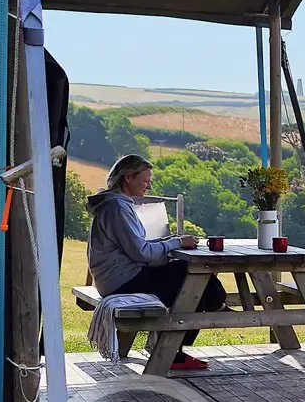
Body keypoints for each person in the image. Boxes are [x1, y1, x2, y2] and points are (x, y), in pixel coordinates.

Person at [86, 153, 226, 371]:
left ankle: (178, 341)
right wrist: (177, 242)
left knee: (192, 280)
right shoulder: (116, 208)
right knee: (192, 277)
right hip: (122, 282)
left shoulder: (115, 204)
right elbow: (142, 253)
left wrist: (170, 242)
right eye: (145, 180)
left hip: (116, 279)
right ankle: (174, 346)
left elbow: (136, 246)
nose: (149, 186)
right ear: (128, 178)